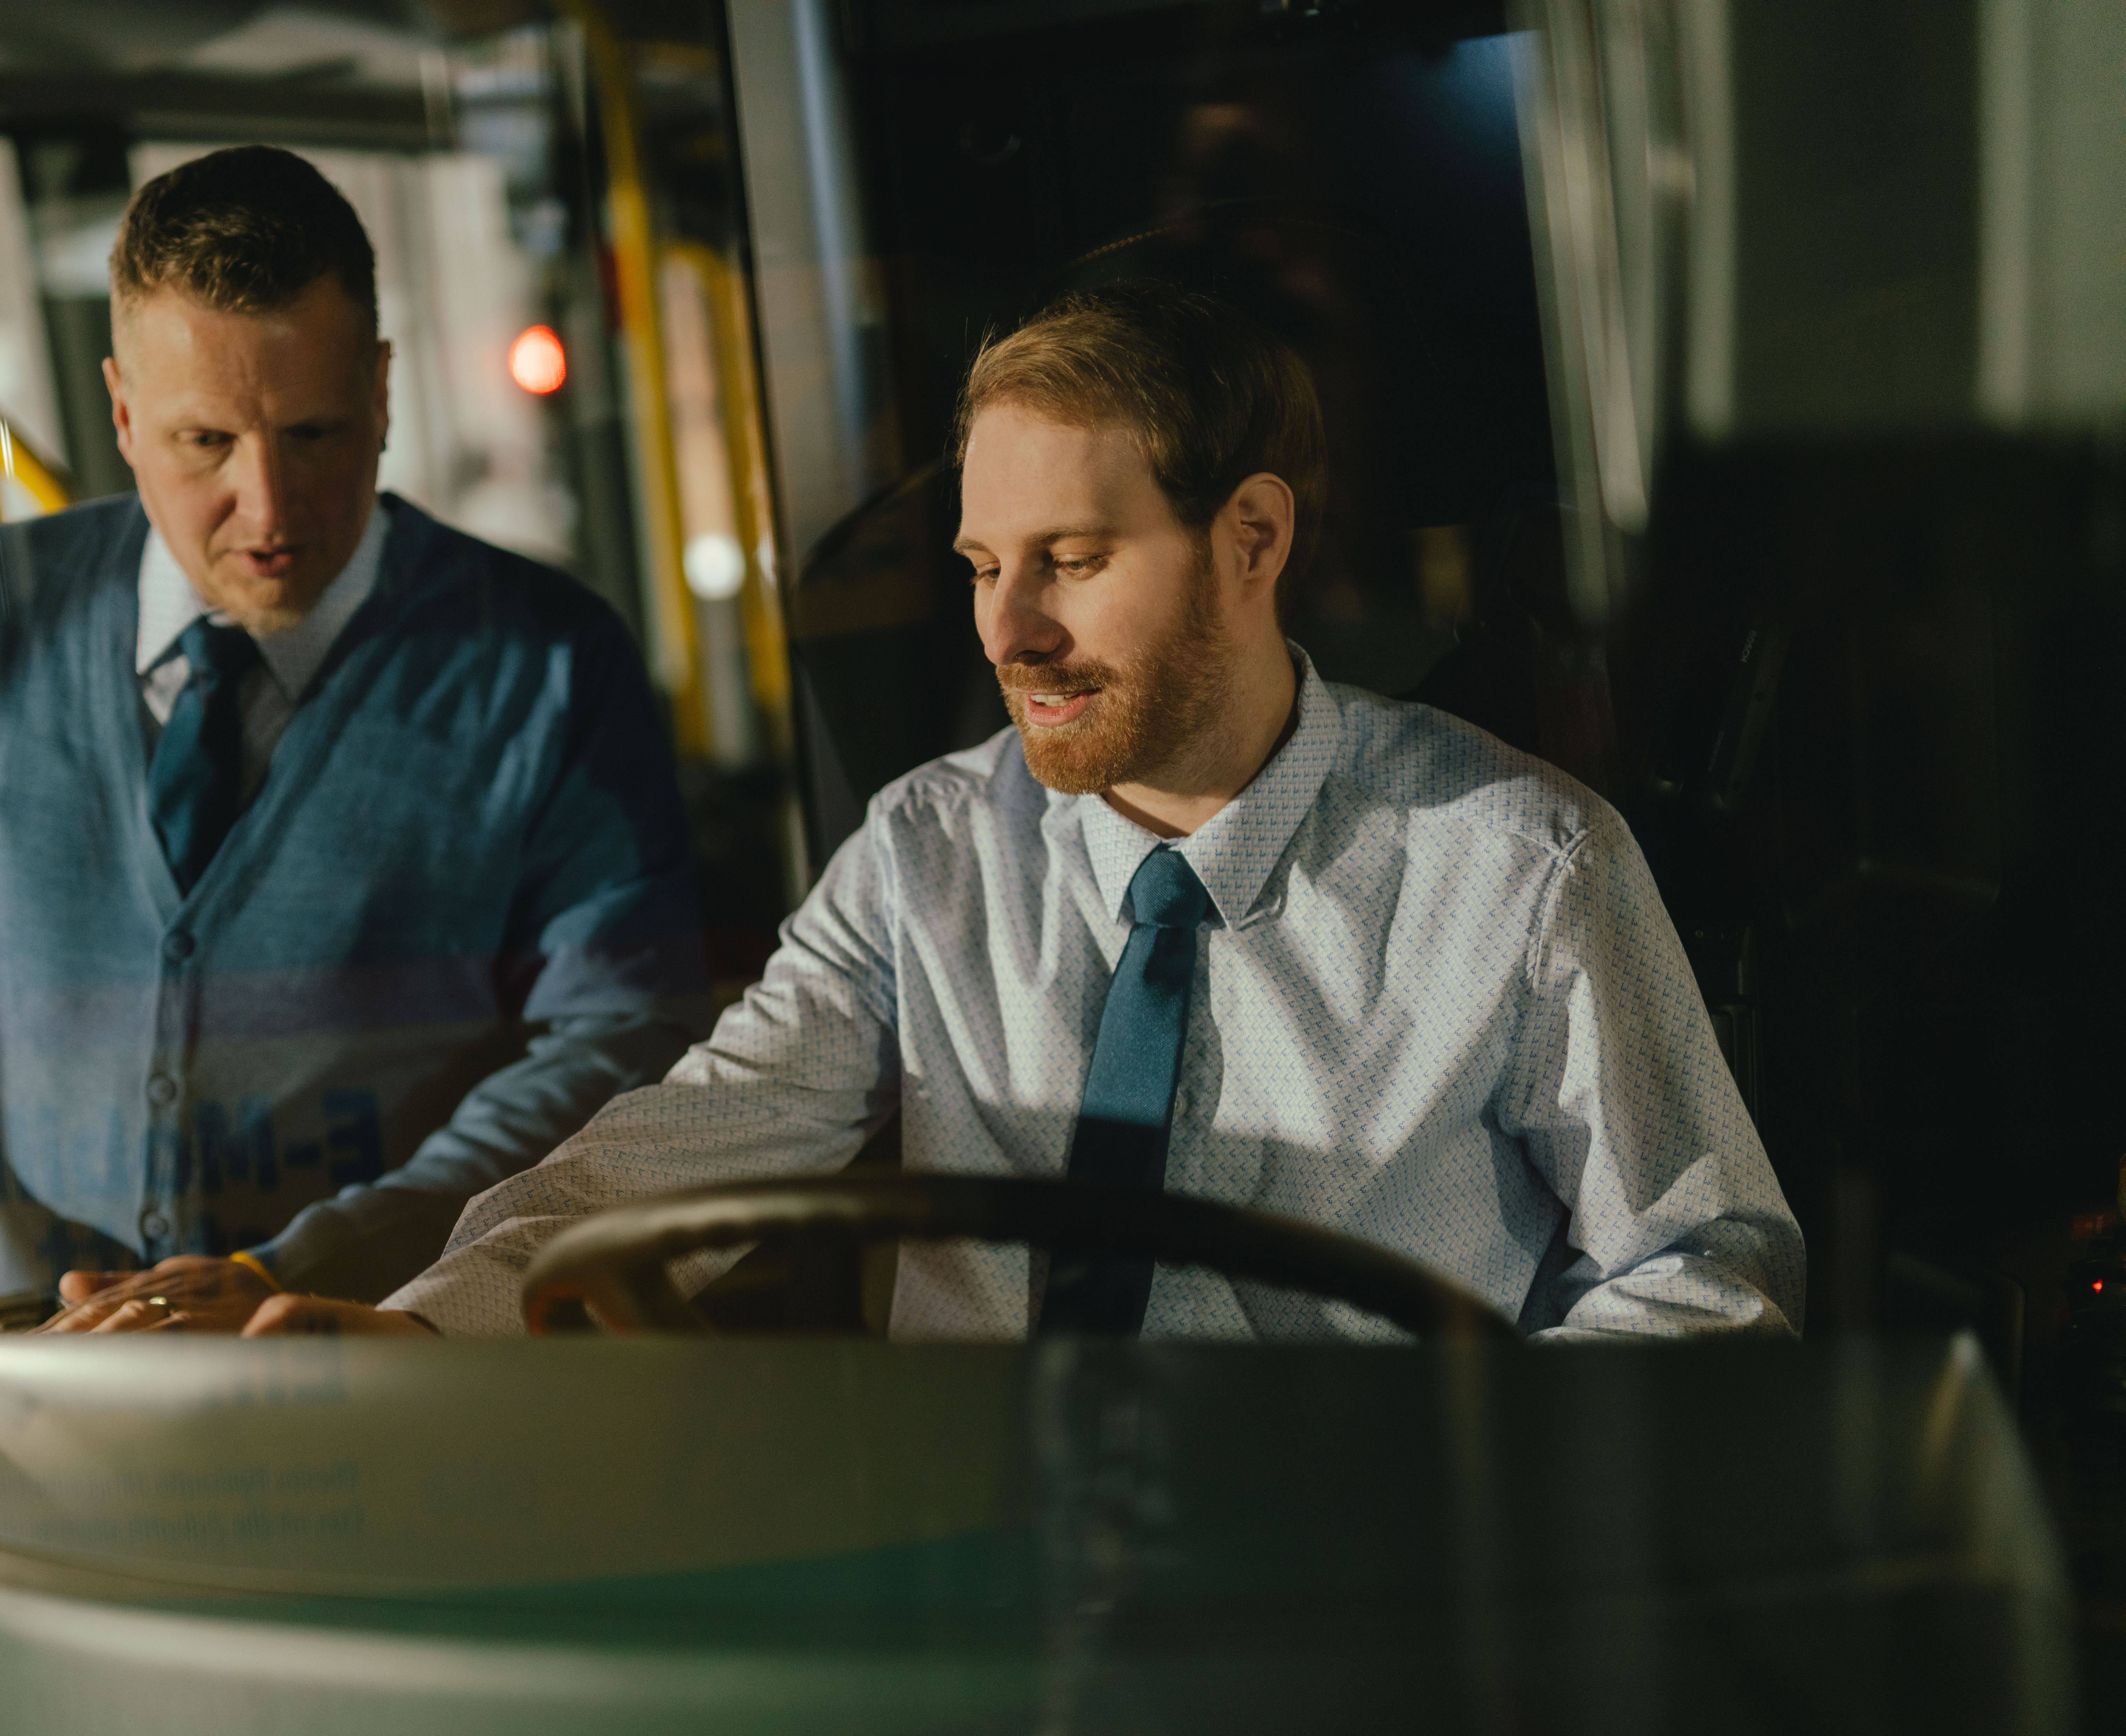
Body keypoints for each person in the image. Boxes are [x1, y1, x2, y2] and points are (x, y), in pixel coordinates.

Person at [187, 280, 1805, 1342]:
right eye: (981, 566)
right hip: (970, 1598)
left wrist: (1451, 1485)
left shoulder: (1518, 866)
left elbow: (1710, 1273)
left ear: (1250, 540)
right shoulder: (922, 856)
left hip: (1352, 1616)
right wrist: (423, 1324)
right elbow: (683, 1146)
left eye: (1071, 564)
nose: (1005, 632)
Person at [0, 146, 706, 1326]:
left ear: (382, 392)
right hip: (43, 1375)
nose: (269, 510)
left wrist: (305, 1268)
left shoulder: (551, 664)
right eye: (206, 443)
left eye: (314, 434)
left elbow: (618, 1042)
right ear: (122, 413)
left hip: (389, 1359)